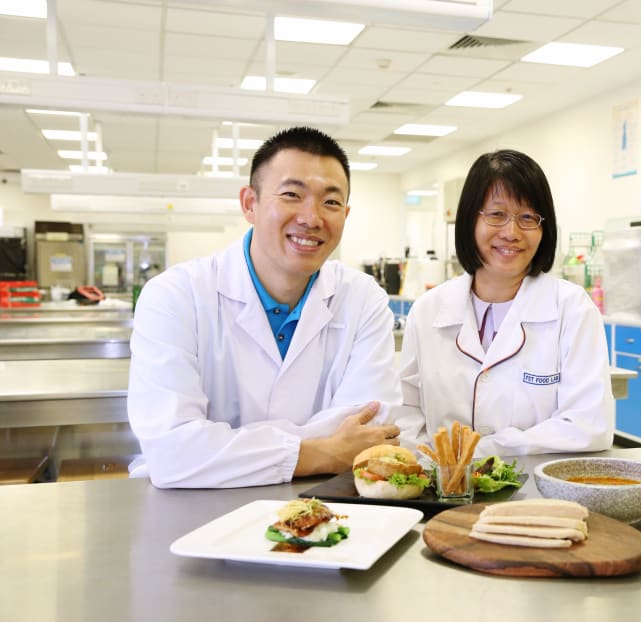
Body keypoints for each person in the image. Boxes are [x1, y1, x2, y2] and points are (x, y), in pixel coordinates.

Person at [127, 126, 402, 488]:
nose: (312, 217)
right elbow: (172, 451)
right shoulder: (174, 296)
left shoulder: (364, 298)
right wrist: (322, 451)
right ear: (249, 204)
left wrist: (222, 447)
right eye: (291, 194)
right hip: (193, 515)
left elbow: (371, 435)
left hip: (329, 514)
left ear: (346, 215)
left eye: (331, 202)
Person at [394, 149, 614, 456]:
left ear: (544, 229)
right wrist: (434, 469)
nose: (511, 233)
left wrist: (478, 453)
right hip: (438, 488)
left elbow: (589, 427)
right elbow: (406, 414)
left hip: (537, 493)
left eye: (527, 217)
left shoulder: (572, 308)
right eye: (496, 215)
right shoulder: (428, 310)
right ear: (470, 221)